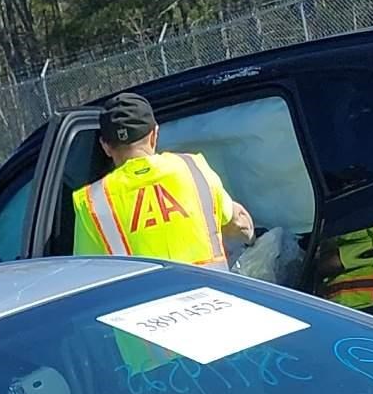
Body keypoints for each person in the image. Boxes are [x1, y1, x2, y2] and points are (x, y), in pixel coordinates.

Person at [70, 93, 254, 266]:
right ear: (154, 134)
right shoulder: (193, 168)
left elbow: (87, 270)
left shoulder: (91, 202)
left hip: (149, 301)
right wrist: (253, 241)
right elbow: (240, 223)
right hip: (211, 297)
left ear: (106, 147)